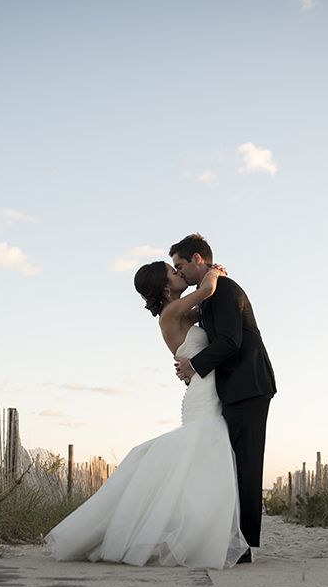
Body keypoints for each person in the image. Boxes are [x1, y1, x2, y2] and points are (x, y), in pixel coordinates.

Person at [44, 261, 248, 568]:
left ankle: (195, 532)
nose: (179, 274)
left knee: (196, 468)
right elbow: (207, 290)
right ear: (166, 287)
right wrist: (214, 272)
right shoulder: (171, 312)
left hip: (203, 391)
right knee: (205, 460)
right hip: (203, 398)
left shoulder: (180, 312)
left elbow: (207, 311)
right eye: (173, 272)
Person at [171, 233, 275, 564]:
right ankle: (233, 541)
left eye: (180, 265)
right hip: (237, 386)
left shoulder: (224, 291)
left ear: (197, 259)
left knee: (244, 464)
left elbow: (230, 341)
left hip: (248, 384)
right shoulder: (212, 294)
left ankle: (243, 547)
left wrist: (194, 365)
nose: (180, 272)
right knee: (231, 464)